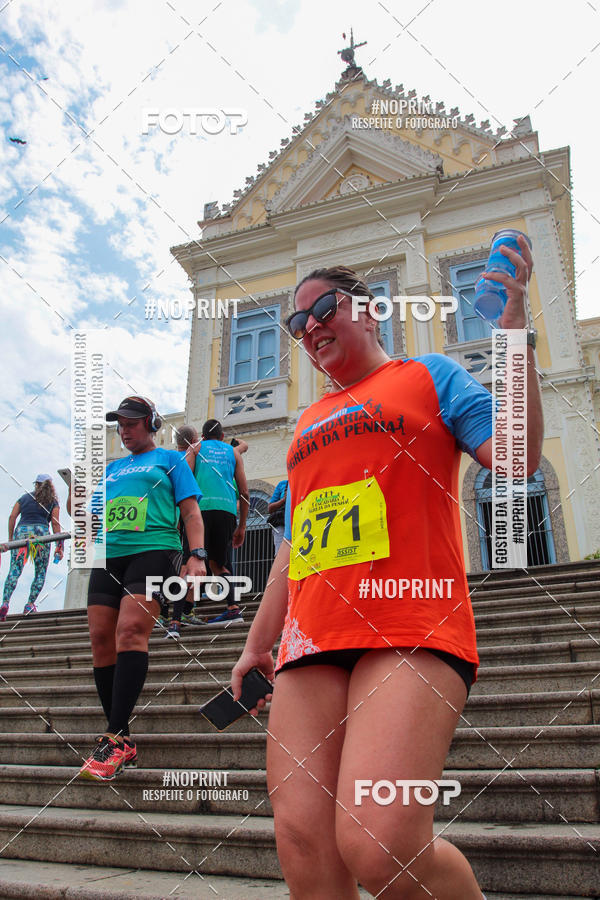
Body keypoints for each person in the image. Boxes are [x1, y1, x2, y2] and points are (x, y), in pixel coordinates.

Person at [232, 253, 542, 899]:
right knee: (303, 846)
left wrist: (513, 337)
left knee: (382, 846)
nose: (310, 325)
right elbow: (298, 545)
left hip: (409, 625)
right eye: (297, 320)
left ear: (369, 312)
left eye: (324, 307)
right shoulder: (307, 424)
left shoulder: (430, 376)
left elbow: (515, 458)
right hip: (311, 641)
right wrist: (257, 643)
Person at [78, 396, 207, 781]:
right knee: (101, 639)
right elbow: (91, 514)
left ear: (151, 423)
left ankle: (114, 738)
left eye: (132, 422)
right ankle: (122, 736)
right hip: (109, 555)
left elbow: (191, 512)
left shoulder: (170, 460)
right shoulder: (113, 469)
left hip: (155, 551)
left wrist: (196, 556)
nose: (124, 429)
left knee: (130, 631)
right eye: (119, 423)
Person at [192, 419, 249, 625]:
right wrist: (242, 525)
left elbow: (185, 481)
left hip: (200, 511)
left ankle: (184, 612)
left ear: (203, 436)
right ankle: (233, 608)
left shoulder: (196, 448)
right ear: (223, 436)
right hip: (226, 511)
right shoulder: (232, 452)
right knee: (220, 563)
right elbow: (244, 492)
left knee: (193, 559)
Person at [0, 475, 64, 620]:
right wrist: (59, 546)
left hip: (22, 532)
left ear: (36, 484)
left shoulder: (23, 498)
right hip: (41, 534)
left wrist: (11, 540)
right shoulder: (53, 502)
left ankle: (5, 603)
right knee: (40, 572)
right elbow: (55, 523)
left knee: (14, 570)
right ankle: (29, 604)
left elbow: (12, 517)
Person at [267, 478, 288, 555]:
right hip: (282, 524)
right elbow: (270, 508)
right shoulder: (283, 484)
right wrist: (284, 500)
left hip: (300, 524)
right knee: (281, 553)